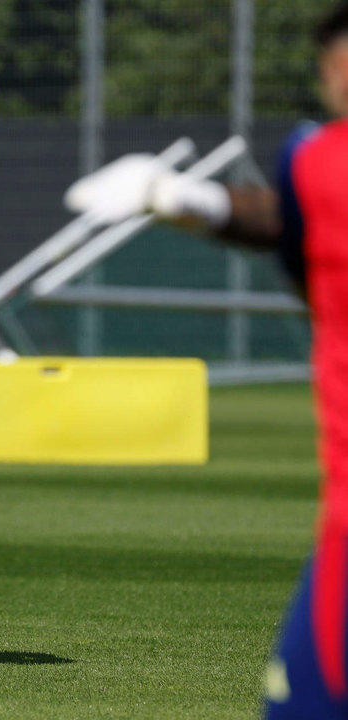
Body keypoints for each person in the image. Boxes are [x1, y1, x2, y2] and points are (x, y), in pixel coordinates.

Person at [63, 4, 348, 716]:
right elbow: (296, 225)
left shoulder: (316, 160)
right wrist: (182, 196)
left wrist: (185, 198)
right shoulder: (315, 164)